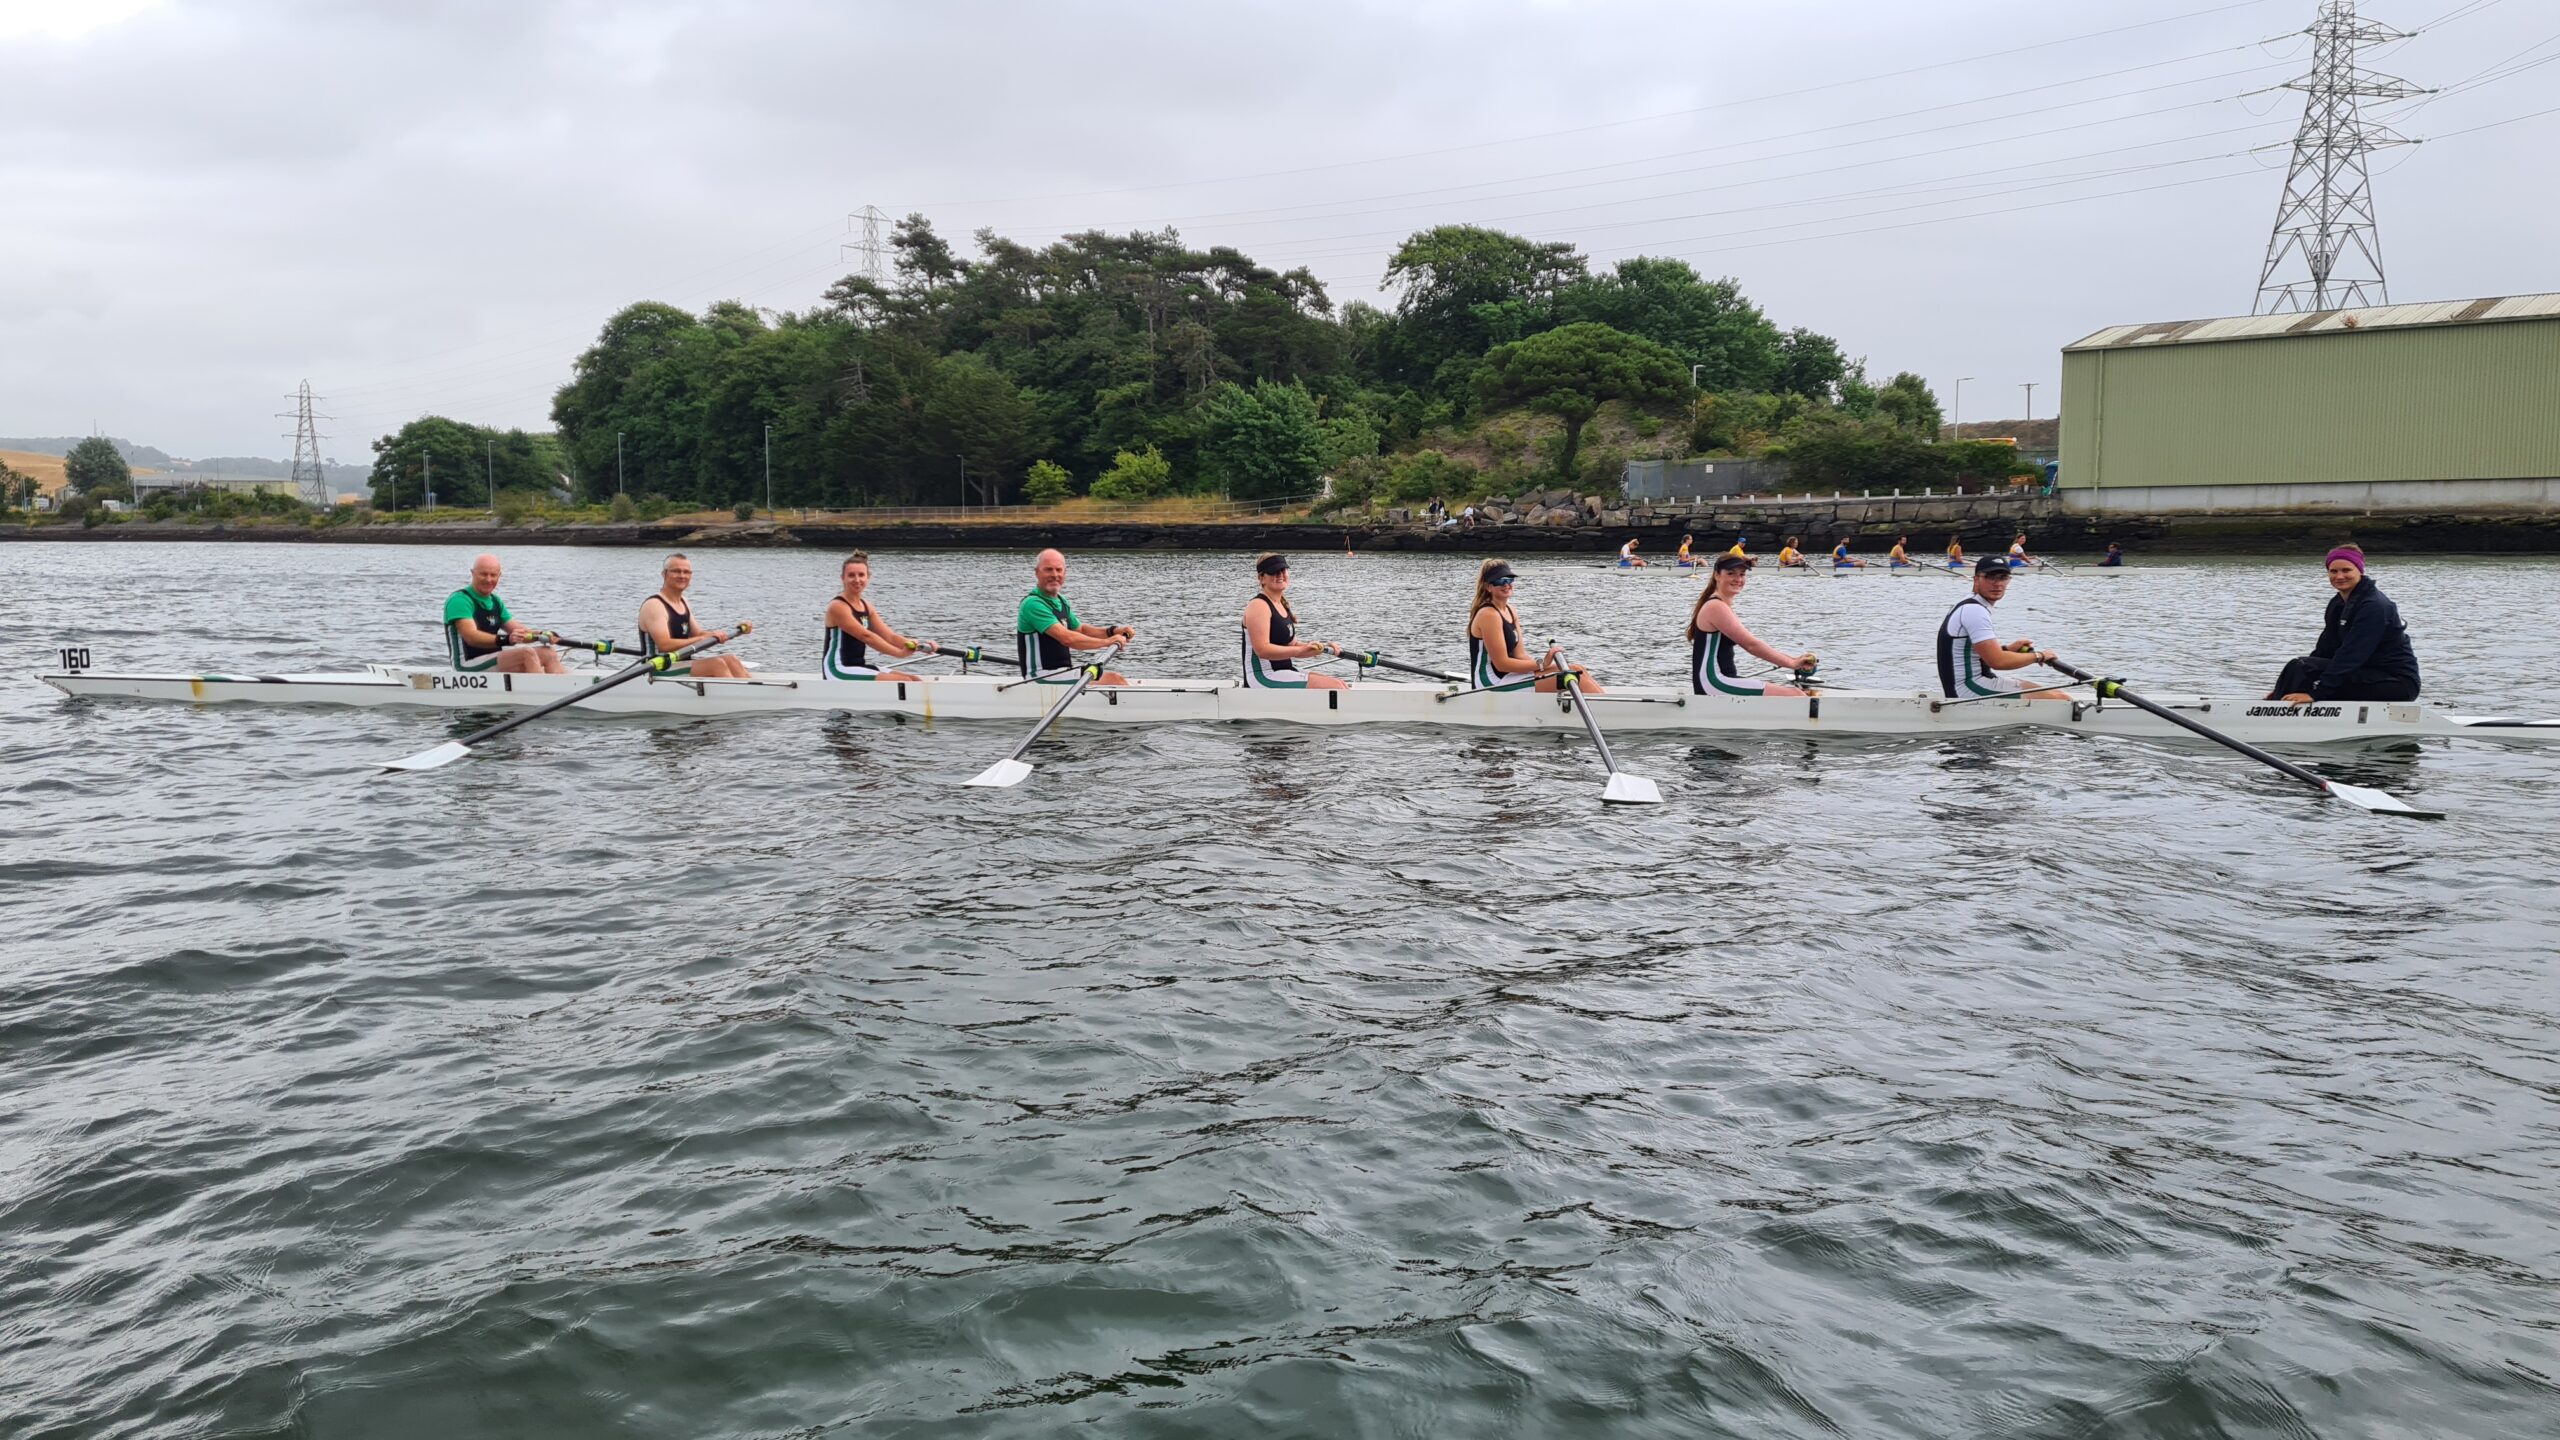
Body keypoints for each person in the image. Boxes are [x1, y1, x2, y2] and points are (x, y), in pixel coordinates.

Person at [2267, 546, 2421, 703]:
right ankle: (2275, 707)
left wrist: (2317, 694)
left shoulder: (2375, 606)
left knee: (2304, 668)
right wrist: (2289, 686)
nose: (2339, 576)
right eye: (2333, 571)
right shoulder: (2338, 603)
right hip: (2362, 673)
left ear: (2360, 571)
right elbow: (2324, 650)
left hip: (2395, 683)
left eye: (2346, 570)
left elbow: (2352, 655)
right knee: (2300, 666)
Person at [1937, 557, 2067, 700]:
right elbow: (1997, 662)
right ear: (1976, 579)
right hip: (1968, 691)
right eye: (1990, 577)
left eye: (2003, 578)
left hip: (1973, 684)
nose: (1997, 584)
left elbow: (1984, 658)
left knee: (2058, 695)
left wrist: (2008, 649)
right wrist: (2039, 656)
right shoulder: (1974, 611)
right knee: (2062, 701)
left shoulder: (1968, 603)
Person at [1690, 554, 1817, 697]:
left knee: (1799, 692)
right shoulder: (1715, 606)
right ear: (1717, 575)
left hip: (1722, 680)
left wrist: (1794, 661)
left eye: (1742, 574)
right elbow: (1751, 645)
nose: (1738, 579)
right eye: (1731, 573)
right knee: (1796, 695)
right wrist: (1792, 663)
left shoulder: (1721, 604)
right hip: (1713, 683)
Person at [1467, 560, 1601, 694]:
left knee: (1577, 670)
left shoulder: (1511, 610)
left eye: (1510, 579)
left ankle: (1609, 707)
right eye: (1500, 581)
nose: (1507, 584)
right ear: (1488, 587)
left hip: (1507, 677)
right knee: (1577, 678)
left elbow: (1520, 655)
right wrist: (1543, 663)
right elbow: (1501, 664)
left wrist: (1548, 666)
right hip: (1489, 684)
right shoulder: (1488, 614)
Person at [1017, 547, 1133, 686]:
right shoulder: (1032, 604)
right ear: (1037, 573)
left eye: (1059, 570)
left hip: (1060, 674)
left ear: (1065, 573)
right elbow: (1067, 638)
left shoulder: (1061, 601)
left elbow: (1080, 630)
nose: (1054, 575)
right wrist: (1108, 642)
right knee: (1114, 680)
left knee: (1115, 680)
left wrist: (1112, 632)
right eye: (1048, 569)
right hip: (1040, 678)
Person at [443, 553, 563, 674]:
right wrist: (506, 639)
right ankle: (541, 689)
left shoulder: (495, 601)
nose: (488, 579)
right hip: (466, 665)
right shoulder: (459, 600)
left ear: (499, 576)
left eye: (493, 575)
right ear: (472, 573)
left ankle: (559, 690)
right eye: (483, 574)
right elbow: (471, 637)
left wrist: (544, 634)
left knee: (549, 653)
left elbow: (521, 632)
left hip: (492, 660)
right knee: (527, 653)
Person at [1240, 553, 1346, 690]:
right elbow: (1262, 650)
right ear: (1261, 578)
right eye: (1273, 572)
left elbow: (1294, 645)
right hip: (1261, 677)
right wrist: (1300, 649)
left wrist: (1323, 648)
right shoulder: (1258, 606)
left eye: (1283, 570)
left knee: (1340, 684)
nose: (1280, 575)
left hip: (1282, 671)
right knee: (1335, 687)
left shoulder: (1281, 605)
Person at [823, 551, 932, 682]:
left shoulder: (866, 605)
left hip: (858, 666)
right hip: (838, 669)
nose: (857, 580)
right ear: (843, 578)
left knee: (914, 679)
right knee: (904, 682)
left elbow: (890, 636)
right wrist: (899, 653)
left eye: (861, 575)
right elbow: (867, 637)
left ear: (868, 577)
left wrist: (921, 645)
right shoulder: (838, 606)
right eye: (851, 575)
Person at [638, 553, 748, 678]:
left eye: (686, 572)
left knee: (731, 660)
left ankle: (751, 694)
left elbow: (698, 634)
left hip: (681, 663)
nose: (682, 576)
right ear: (664, 574)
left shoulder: (683, 602)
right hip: (657, 667)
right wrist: (700, 639)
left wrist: (718, 634)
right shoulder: (654, 605)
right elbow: (664, 645)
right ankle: (735, 695)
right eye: (676, 571)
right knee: (716, 665)